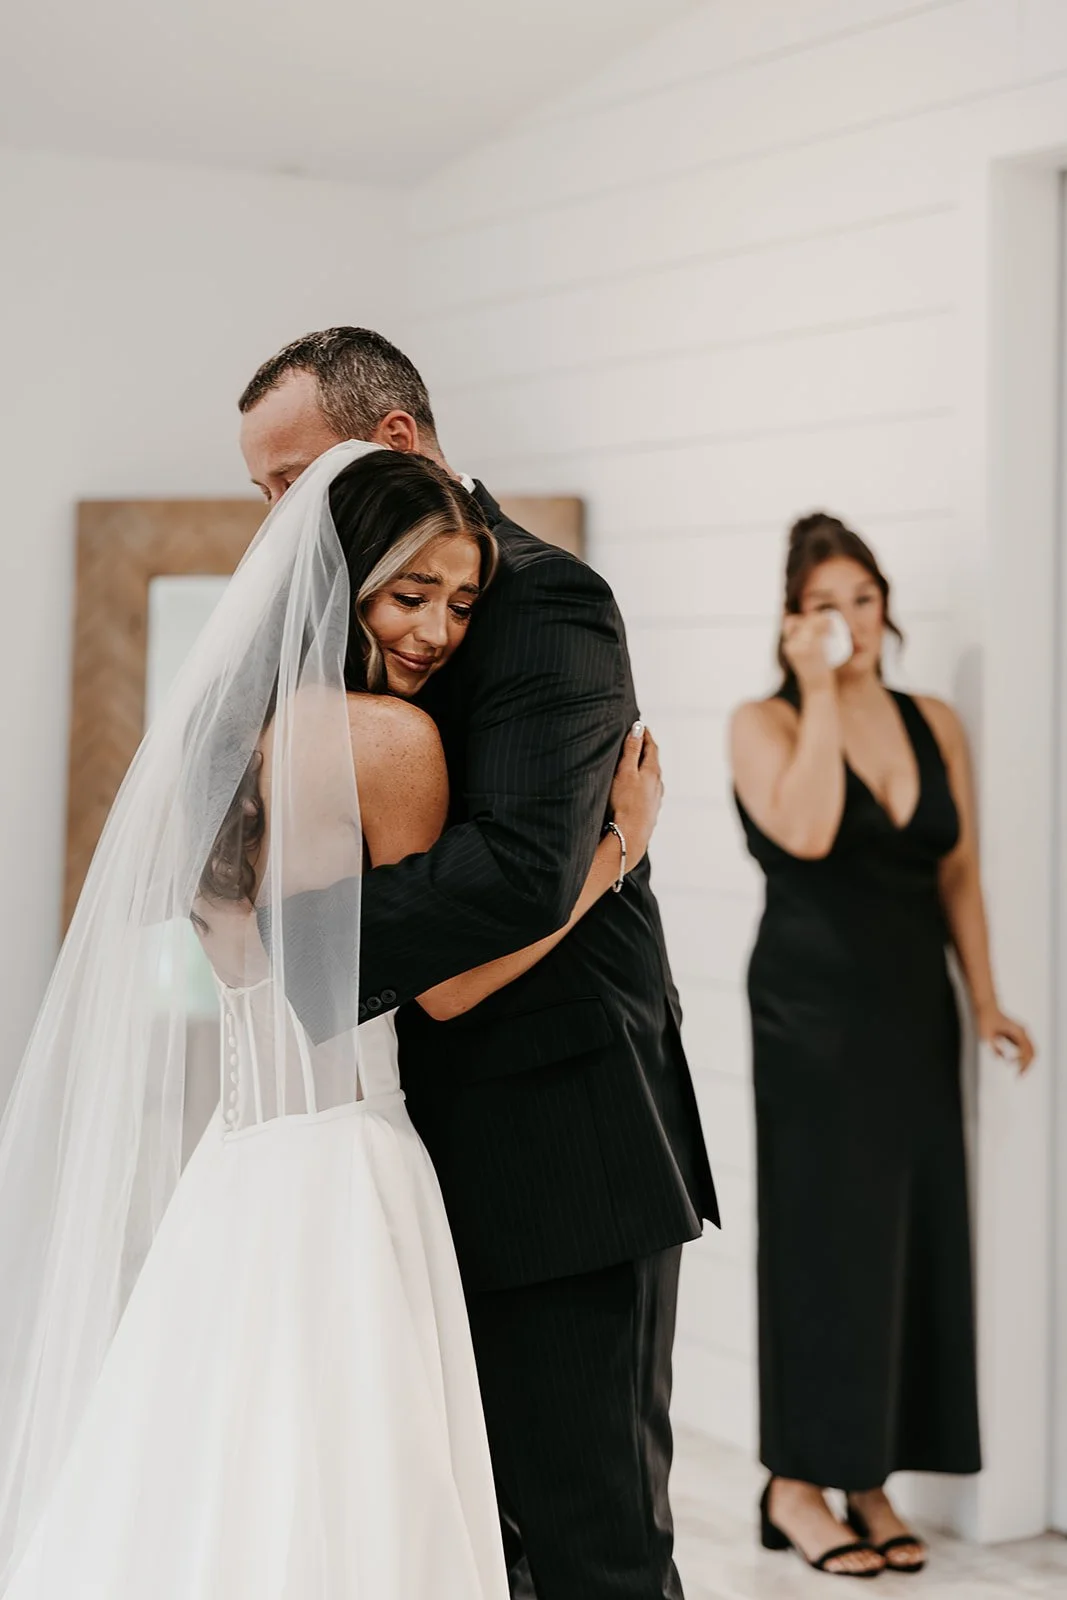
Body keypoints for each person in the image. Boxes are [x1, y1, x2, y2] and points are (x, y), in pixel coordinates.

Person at [0, 445, 666, 1598]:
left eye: (461, 601)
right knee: (369, 1500)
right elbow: (449, 982)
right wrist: (617, 852)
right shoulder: (391, 743)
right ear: (345, 580)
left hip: (240, 1163)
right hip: (353, 1153)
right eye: (410, 594)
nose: (439, 631)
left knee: (227, 1481)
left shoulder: (218, 747)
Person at [238, 326, 719, 1600]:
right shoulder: (321, 649)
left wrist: (318, 945)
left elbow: (509, 881)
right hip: (392, 1151)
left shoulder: (547, 599)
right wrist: (616, 845)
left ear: (388, 441)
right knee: (459, 1541)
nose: (272, 516)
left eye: (286, 480)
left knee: (589, 1542)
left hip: (557, 1145)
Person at [730, 513, 1035, 1580]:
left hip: (913, 1010)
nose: (849, 622)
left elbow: (956, 871)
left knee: (910, 1240)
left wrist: (987, 1000)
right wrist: (815, 691)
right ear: (791, 622)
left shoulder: (931, 720)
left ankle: (869, 1481)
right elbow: (808, 830)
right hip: (808, 1018)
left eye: (862, 599)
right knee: (822, 1245)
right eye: (824, 605)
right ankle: (795, 1485)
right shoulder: (760, 722)